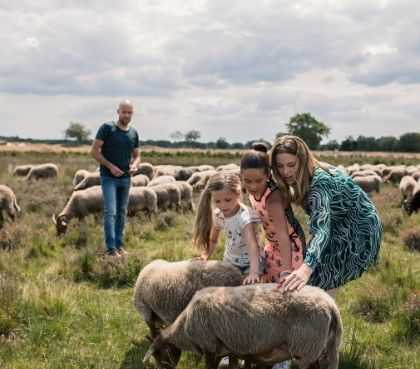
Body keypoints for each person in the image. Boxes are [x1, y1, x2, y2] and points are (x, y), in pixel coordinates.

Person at [270, 135, 383, 297]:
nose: (285, 172)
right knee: (313, 275)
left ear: (302, 161)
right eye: (280, 166)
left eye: (291, 165)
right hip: (337, 223)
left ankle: (325, 317)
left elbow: (321, 230)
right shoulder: (306, 174)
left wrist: (306, 268)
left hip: (359, 230)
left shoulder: (319, 186)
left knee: (320, 280)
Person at [240, 144, 306, 369]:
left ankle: (283, 359)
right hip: (272, 246)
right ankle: (265, 347)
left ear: (268, 175)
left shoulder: (273, 199)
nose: (252, 186)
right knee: (267, 298)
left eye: (257, 181)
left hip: (290, 250)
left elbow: (284, 237)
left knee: (284, 301)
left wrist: (288, 270)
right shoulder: (251, 193)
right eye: (246, 181)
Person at [90, 100, 140, 257]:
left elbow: (137, 155)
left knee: (122, 212)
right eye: (124, 112)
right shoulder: (107, 128)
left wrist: (135, 165)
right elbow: (94, 151)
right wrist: (110, 166)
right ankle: (110, 249)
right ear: (118, 111)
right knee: (110, 211)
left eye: (129, 112)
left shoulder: (133, 133)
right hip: (108, 178)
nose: (126, 115)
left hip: (126, 178)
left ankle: (119, 245)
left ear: (132, 114)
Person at [192, 172, 261, 285]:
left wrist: (253, 272)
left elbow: (252, 245)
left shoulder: (244, 217)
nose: (223, 205)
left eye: (228, 200)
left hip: (251, 264)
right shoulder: (219, 215)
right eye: (217, 201)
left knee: (246, 292)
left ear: (238, 194)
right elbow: (213, 240)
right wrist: (205, 255)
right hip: (230, 262)